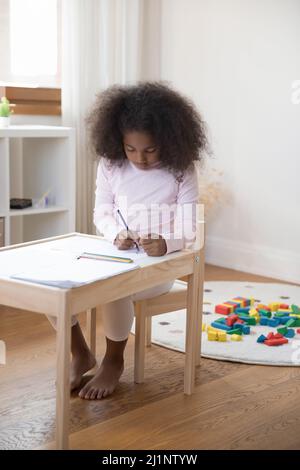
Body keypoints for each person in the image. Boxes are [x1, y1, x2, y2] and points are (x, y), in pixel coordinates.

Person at [50, 82, 209, 400]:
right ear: (118, 142)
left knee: (115, 287)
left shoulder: (180, 171)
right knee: (53, 284)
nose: (141, 159)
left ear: (168, 140)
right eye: (131, 149)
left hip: (160, 266)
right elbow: (102, 212)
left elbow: (190, 228)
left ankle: (113, 360)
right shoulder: (110, 164)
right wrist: (115, 233)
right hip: (117, 254)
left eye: (150, 149)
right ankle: (80, 352)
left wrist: (165, 242)